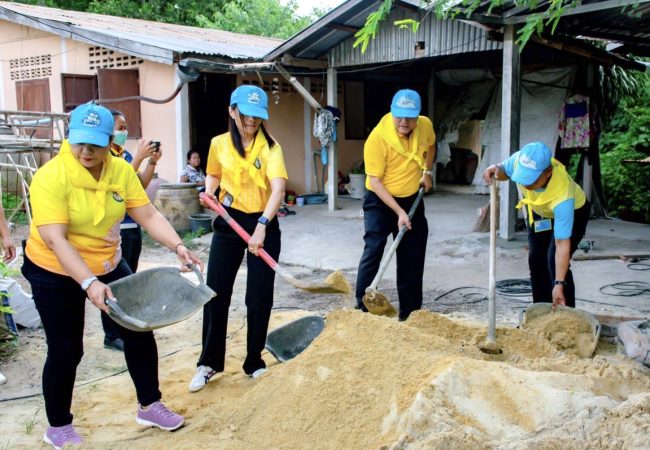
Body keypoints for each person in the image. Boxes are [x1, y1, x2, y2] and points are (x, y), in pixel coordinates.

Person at [21, 102, 204, 449]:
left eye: (95, 143)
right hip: (54, 269)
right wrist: (88, 283)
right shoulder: (51, 176)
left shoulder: (119, 170)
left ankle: (149, 405)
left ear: (110, 141)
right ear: (69, 138)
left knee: (138, 329)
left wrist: (179, 246)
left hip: (107, 261)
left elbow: (147, 214)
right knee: (65, 348)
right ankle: (58, 426)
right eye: (79, 142)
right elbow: (55, 239)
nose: (86, 151)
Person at [189, 85, 287, 392]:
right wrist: (209, 190)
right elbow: (215, 174)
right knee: (215, 291)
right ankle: (209, 362)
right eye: (246, 114)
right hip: (230, 222)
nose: (252, 121)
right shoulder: (219, 144)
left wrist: (261, 225)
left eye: (258, 116)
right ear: (233, 111)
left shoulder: (271, 148)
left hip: (263, 221)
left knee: (258, 296)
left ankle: (254, 360)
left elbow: (279, 188)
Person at [355, 89, 435, 321]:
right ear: (392, 111)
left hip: (411, 197)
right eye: (399, 115)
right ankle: (362, 308)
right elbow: (375, 181)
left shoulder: (425, 125)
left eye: (409, 117)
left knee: (412, 254)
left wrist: (427, 171)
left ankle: (410, 314)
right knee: (374, 248)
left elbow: (431, 145)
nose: (404, 121)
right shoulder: (378, 138)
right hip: (380, 200)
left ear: (418, 115)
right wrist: (399, 212)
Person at [482, 141, 589, 309]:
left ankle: (567, 316)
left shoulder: (563, 195)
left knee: (554, 261)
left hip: (574, 212)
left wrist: (559, 284)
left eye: (531, 178)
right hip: (540, 212)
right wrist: (494, 169)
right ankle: (541, 313)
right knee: (536, 260)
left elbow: (562, 244)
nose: (525, 184)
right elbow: (504, 171)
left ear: (548, 172)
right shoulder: (519, 160)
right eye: (523, 176)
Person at [100, 109, 162, 351]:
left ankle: (123, 328)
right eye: (119, 127)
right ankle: (111, 334)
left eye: (125, 128)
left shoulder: (124, 155)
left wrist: (152, 161)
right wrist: (138, 157)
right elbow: (120, 181)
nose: (123, 132)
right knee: (114, 285)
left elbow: (138, 186)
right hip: (118, 227)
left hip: (133, 224)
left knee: (128, 281)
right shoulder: (107, 158)